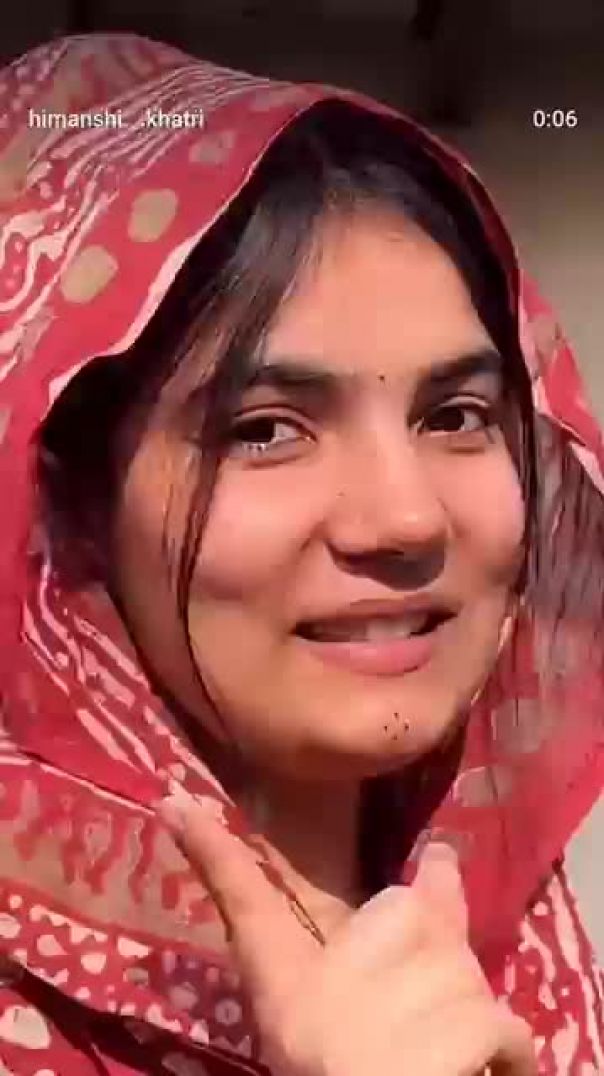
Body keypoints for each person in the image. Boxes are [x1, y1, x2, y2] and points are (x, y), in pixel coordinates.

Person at [0, 32, 601, 1076]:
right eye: (265, 429)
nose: (406, 518)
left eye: (456, 414)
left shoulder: (508, 951)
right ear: (71, 496)